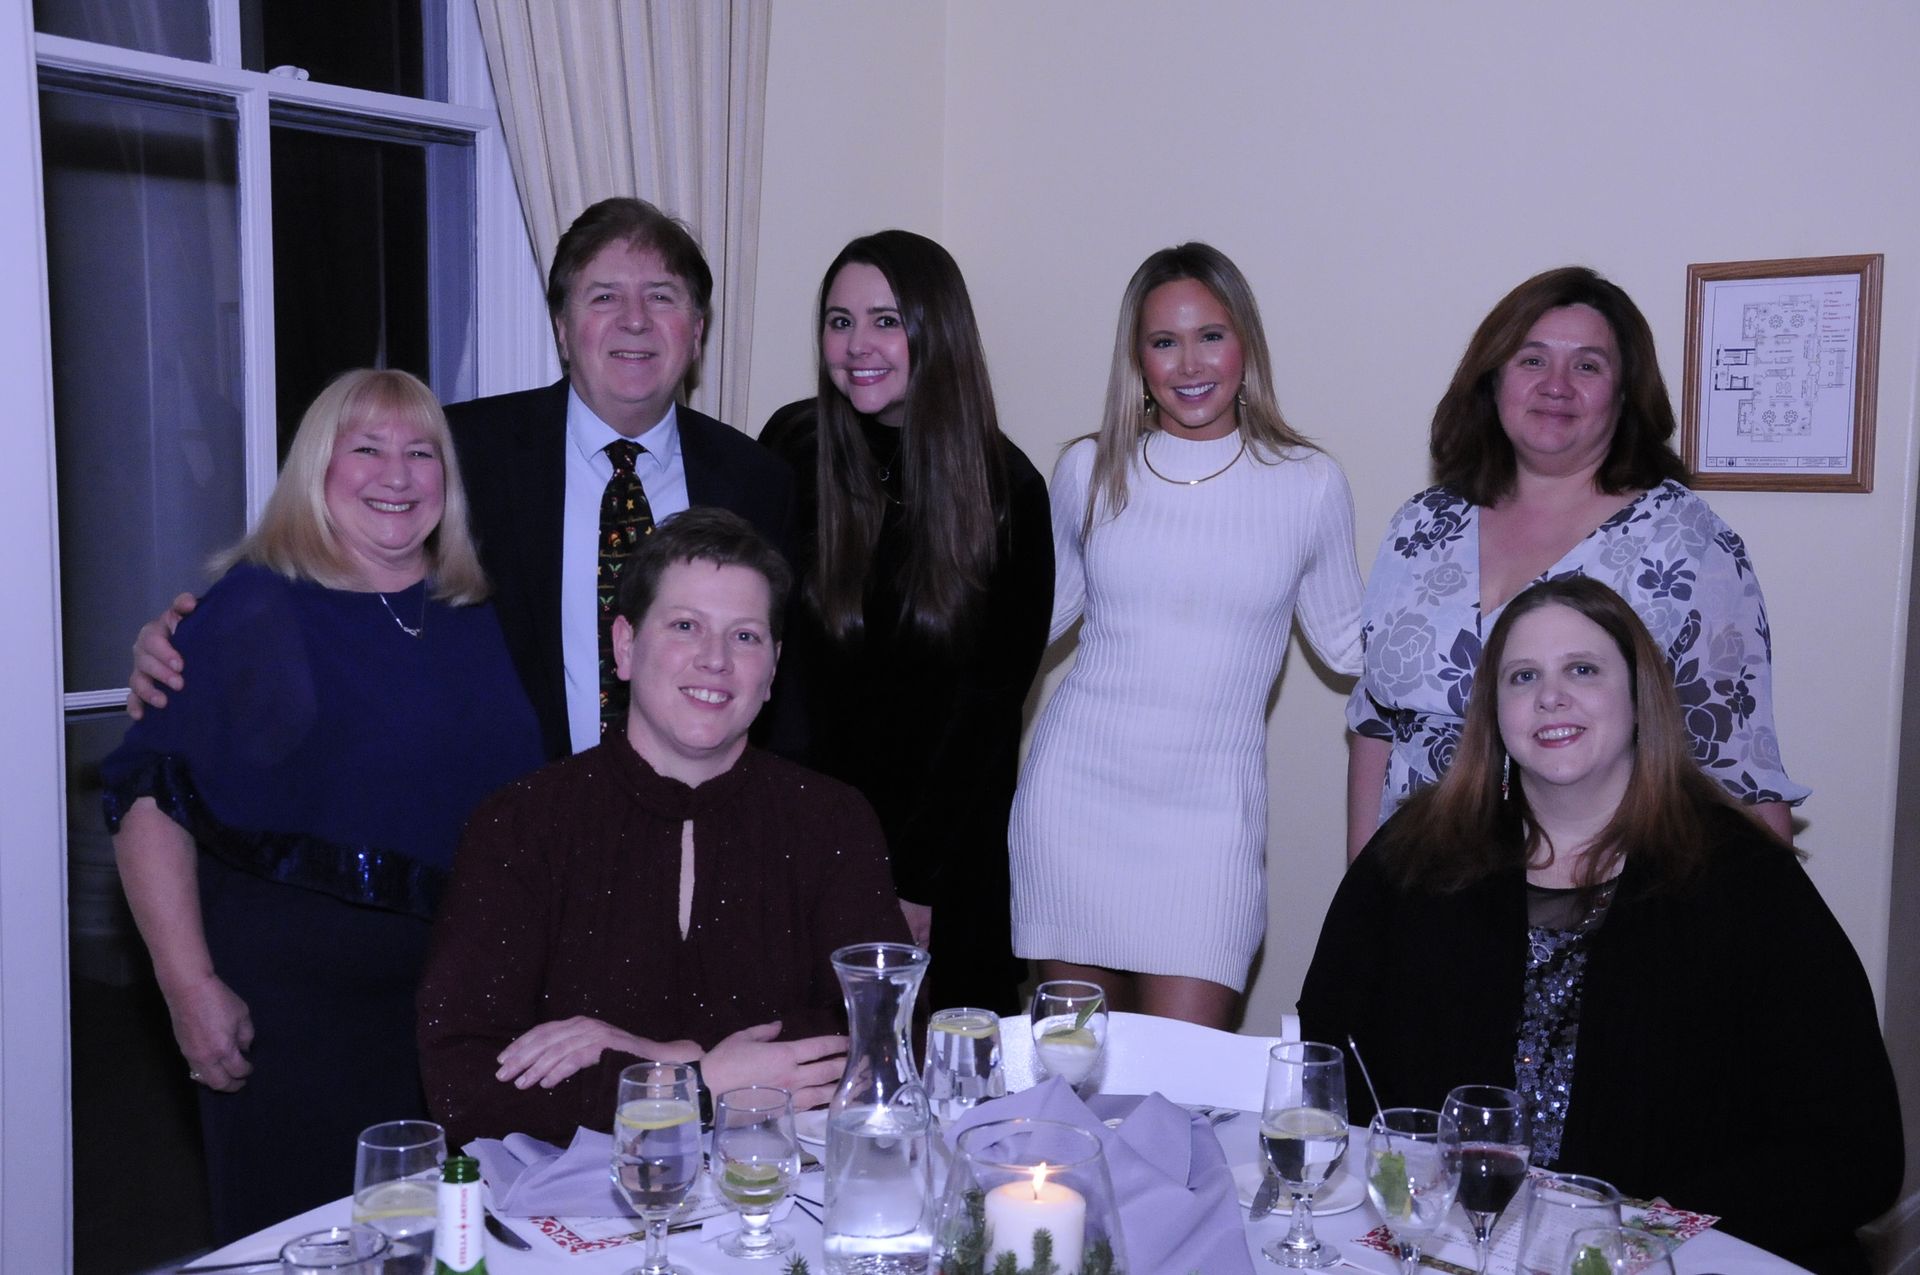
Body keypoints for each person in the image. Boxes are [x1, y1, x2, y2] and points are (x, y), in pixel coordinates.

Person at [1301, 577, 1899, 1274]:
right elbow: (1326, 1063)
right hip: (1443, 1249)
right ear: (1494, 711)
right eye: (1524, 676)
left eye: (1582, 669)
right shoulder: (1413, 858)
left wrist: (1649, 1228)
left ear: (1640, 699)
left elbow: (1856, 1151)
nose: (1551, 697)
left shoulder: (1744, 879)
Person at [100, 370, 545, 1240]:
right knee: (304, 1247)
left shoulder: (480, 613)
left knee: (451, 1243)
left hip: (458, 1018)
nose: (397, 474)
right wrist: (188, 985)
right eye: (366, 448)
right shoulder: (255, 605)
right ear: (316, 468)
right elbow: (150, 797)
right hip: (294, 1029)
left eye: (421, 452)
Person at [126, 196, 797, 763]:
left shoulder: (761, 482)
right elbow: (336, 561)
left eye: (661, 297)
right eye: (604, 296)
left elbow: (789, 680)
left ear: (697, 332)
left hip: (710, 828)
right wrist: (203, 641)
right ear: (563, 331)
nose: (635, 319)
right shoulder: (456, 452)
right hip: (506, 832)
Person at [416, 509, 910, 1151]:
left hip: (782, 1186)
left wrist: (661, 1057)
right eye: (685, 626)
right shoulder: (520, 825)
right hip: (568, 1203)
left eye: (745, 637)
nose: (715, 660)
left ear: (773, 670)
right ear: (625, 647)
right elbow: (464, 1084)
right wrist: (694, 1084)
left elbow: (885, 1035)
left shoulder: (831, 819)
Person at [1008, 243, 1365, 1027]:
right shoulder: (1089, 470)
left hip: (1210, 823)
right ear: (1137, 359)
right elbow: (1024, 626)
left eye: (1211, 335)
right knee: (1076, 1080)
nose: (1190, 363)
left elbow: (1352, 645)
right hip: (1074, 804)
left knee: (1184, 1087)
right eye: (1164, 341)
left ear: (1246, 343)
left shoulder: (1307, 483)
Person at [1345, 266, 1805, 860]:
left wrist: (1776, 910)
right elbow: (1376, 726)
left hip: (1605, 879)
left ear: (1625, 394)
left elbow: (1738, 764)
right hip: (1421, 874)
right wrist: (1358, 889)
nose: (1555, 386)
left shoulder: (1686, 544)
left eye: (1588, 366)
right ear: (1493, 380)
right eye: (1532, 360)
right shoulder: (1421, 525)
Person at [759, 231, 1052, 1012]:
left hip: (942, 865)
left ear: (937, 330)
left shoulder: (1008, 490)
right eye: (839, 321)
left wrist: (912, 881)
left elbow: (987, 714)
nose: (857, 344)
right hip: (796, 842)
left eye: (885, 321)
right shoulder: (791, 447)